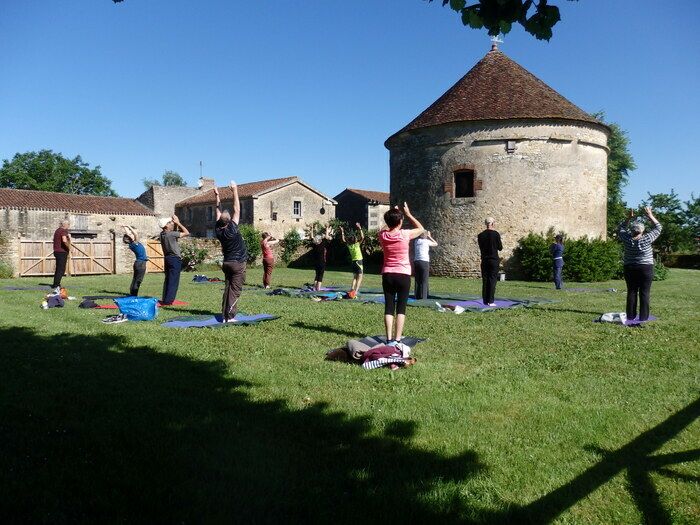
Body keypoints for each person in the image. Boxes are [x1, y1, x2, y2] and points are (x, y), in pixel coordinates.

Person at [379, 203, 424, 345]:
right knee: (401, 308)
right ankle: (397, 339)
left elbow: (384, 228)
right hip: (403, 275)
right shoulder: (405, 234)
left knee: (389, 307)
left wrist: (394, 215)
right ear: (400, 222)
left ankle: (389, 339)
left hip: (388, 274)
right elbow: (421, 229)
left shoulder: (383, 235)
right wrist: (408, 214)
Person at [618, 207, 662, 321]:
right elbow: (658, 227)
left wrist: (628, 218)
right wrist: (650, 215)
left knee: (631, 292)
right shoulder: (647, 238)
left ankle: (631, 316)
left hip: (629, 268)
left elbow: (621, 228)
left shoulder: (627, 238)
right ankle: (643, 317)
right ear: (642, 231)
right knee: (644, 292)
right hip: (645, 268)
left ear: (632, 230)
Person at [214, 182, 248, 322]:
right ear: (228, 221)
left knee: (228, 288)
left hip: (227, 263)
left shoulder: (218, 229)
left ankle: (224, 314)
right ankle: (230, 317)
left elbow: (218, 211)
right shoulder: (232, 228)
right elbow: (237, 209)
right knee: (234, 290)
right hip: (237, 263)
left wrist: (216, 196)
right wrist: (235, 190)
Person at [159, 214, 189, 305]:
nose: (171, 223)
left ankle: (165, 298)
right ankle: (168, 301)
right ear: (166, 226)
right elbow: (186, 232)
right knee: (174, 280)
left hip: (167, 258)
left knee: (168, 279)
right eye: (169, 223)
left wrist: (175, 224)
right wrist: (178, 223)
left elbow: (174, 232)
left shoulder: (162, 234)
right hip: (175, 259)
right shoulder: (171, 234)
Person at [477, 217, 503, 307]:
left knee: (485, 279)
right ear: (493, 224)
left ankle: (485, 300)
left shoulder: (480, 235)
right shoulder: (495, 234)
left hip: (484, 260)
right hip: (493, 259)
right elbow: (500, 247)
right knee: (492, 279)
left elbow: (481, 247)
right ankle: (491, 301)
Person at [122, 225, 149, 296]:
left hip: (138, 263)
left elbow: (128, 235)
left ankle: (132, 293)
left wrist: (125, 227)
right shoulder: (135, 243)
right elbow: (135, 234)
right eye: (130, 236)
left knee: (135, 279)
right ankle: (134, 295)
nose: (132, 235)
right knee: (138, 280)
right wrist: (129, 226)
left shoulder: (132, 244)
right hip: (141, 264)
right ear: (130, 239)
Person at [339, 222, 365, 296]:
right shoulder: (357, 245)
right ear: (355, 240)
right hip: (359, 262)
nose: (357, 238)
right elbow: (362, 237)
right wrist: (360, 228)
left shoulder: (349, 245)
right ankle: (355, 292)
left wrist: (342, 231)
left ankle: (351, 289)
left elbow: (344, 240)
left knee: (355, 277)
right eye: (356, 238)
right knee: (360, 277)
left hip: (353, 262)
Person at [413, 230, 438, 300]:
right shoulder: (426, 241)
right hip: (424, 261)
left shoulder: (416, 241)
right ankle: (424, 297)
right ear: (426, 236)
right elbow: (436, 244)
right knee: (424, 279)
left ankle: (417, 296)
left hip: (416, 261)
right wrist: (430, 237)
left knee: (417, 280)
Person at [311, 224, 332, 291]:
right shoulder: (322, 244)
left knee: (317, 275)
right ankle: (318, 289)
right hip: (322, 262)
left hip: (315, 262)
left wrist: (311, 228)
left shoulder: (314, 245)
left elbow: (312, 236)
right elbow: (326, 236)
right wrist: (326, 228)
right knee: (320, 276)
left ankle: (314, 288)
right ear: (320, 240)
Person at [51, 219, 71, 292]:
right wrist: (69, 247)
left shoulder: (57, 230)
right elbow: (64, 240)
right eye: (68, 225)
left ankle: (55, 284)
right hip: (62, 252)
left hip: (56, 251)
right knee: (61, 269)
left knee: (58, 269)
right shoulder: (63, 231)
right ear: (65, 225)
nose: (68, 226)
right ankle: (57, 285)